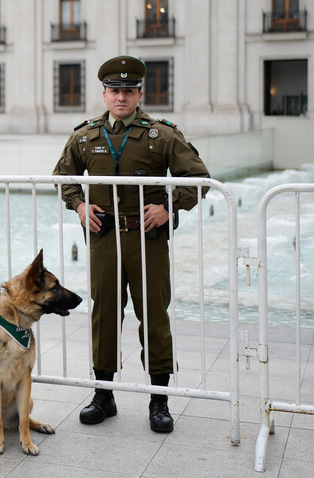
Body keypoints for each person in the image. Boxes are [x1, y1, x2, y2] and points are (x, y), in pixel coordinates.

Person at [52, 55, 209, 434]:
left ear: (140, 94)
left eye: (128, 91)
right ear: (104, 94)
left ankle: (159, 400)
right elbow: (63, 177)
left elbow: (198, 179)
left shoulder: (163, 134)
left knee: (153, 315)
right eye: (114, 90)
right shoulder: (85, 135)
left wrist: (169, 207)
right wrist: (79, 204)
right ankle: (103, 395)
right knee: (103, 314)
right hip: (104, 238)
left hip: (147, 239)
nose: (120, 97)